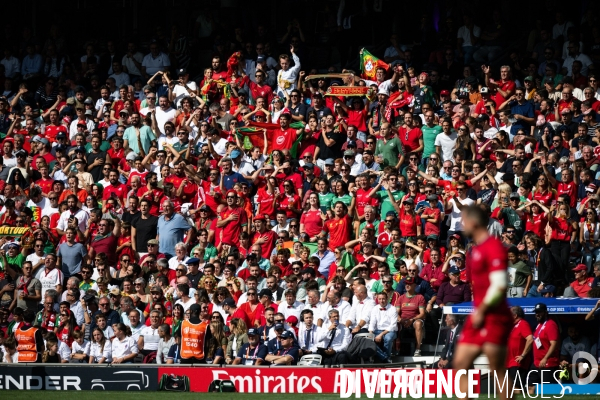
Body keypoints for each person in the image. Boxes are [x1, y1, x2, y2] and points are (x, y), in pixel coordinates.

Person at [452, 205, 512, 400]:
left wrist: (483, 309)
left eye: (464, 220)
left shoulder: (493, 247)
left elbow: (499, 286)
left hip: (494, 316)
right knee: (460, 364)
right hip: (478, 315)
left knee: (498, 372)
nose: (462, 224)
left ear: (474, 222)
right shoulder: (473, 251)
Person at [528, 303, 561, 394]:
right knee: (531, 385)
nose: (537, 314)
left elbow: (554, 344)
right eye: (536, 312)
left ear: (546, 313)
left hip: (548, 363)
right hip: (536, 363)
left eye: (539, 312)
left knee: (548, 390)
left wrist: (545, 358)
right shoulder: (538, 325)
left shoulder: (551, 325)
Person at [506, 306, 533, 392]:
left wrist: (523, 355)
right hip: (510, 362)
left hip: (517, 362)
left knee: (516, 387)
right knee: (511, 387)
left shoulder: (523, 324)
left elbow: (530, 339)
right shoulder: (514, 326)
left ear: (515, 315)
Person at [368, 291, 398, 363]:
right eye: (380, 299)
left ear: (387, 298)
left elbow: (393, 325)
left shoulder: (393, 309)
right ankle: (385, 358)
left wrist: (381, 335)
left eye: (383, 299)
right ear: (377, 299)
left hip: (390, 331)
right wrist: (370, 333)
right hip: (377, 330)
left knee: (388, 338)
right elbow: (372, 322)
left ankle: (386, 357)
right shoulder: (375, 308)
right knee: (369, 340)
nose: (381, 301)